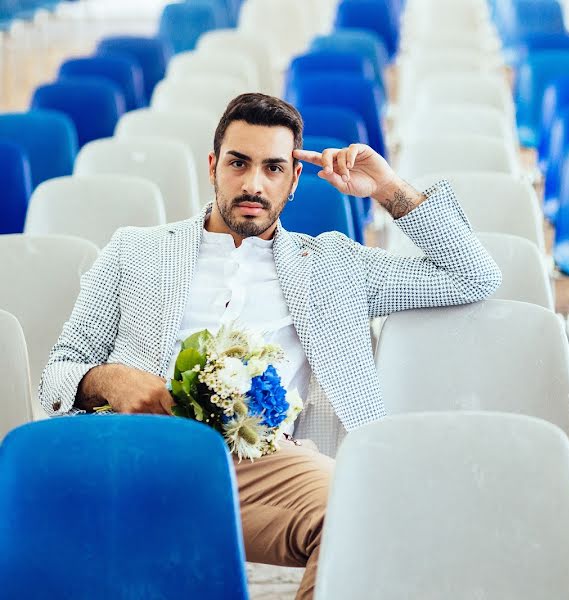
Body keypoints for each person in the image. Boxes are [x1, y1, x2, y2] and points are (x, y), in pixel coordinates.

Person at [38, 92, 501, 599]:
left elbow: (471, 276)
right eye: (238, 163)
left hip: (267, 468)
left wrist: (387, 188)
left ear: (295, 179)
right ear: (213, 166)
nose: (253, 184)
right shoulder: (136, 250)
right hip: (139, 453)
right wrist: (110, 378)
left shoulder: (333, 264)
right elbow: (56, 373)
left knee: (365, 503)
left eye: (273, 168)